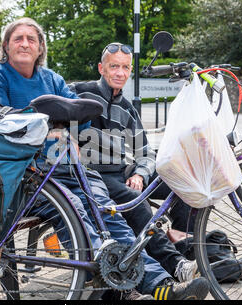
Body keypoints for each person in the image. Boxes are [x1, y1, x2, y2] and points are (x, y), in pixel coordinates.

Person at [0, 17, 209, 300]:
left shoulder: (52, 79)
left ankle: (160, 285)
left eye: (31, 39)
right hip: (22, 175)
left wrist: (68, 127)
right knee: (79, 214)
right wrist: (48, 130)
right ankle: (123, 290)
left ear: (40, 49)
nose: (25, 43)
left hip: (69, 170)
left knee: (109, 215)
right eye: (18, 38)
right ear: (6, 46)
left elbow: (80, 121)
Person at [69, 42, 197, 282]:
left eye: (125, 68)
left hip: (122, 171)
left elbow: (145, 152)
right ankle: (176, 264)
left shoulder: (128, 109)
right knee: (137, 203)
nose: (120, 73)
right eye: (114, 66)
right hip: (93, 176)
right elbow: (52, 107)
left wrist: (140, 174)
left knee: (185, 182)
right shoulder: (78, 92)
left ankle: (179, 238)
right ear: (101, 68)